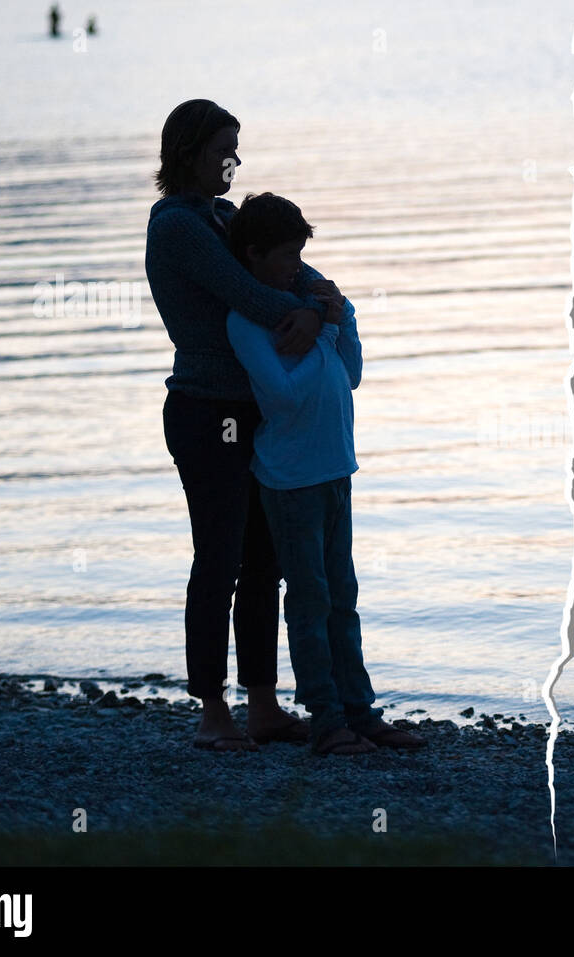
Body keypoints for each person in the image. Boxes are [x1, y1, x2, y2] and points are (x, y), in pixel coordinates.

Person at [145, 99, 327, 751]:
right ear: (189, 153)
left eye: (237, 148)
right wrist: (310, 313)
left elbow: (291, 269)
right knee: (218, 557)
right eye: (223, 148)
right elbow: (249, 294)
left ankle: (264, 704)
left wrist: (321, 301)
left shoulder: (224, 216)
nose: (234, 160)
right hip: (204, 411)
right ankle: (212, 711)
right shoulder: (176, 227)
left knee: (264, 557)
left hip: (252, 408)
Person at [224, 193, 424, 755]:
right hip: (290, 480)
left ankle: (360, 713)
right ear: (255, 254)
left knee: (344, 597)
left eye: (301, 255)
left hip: (337, 468)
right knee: (310, 600)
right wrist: (326, 334)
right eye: (287, 256)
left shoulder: (308, 306)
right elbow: (284, 399)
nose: (297, 267)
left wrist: (344, 316)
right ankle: (326, 720)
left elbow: (351, 375)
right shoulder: (250, 321)